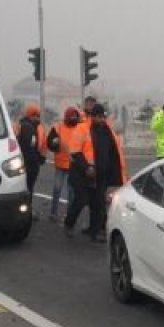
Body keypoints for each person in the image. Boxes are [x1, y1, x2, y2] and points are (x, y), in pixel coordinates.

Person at [64, 103, 126, 242]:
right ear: (92, 116)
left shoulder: (107, 131)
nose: (101, 119)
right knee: (80, 200)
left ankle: (95, 230)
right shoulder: (82, 128)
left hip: (100, 174)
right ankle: (69, 223)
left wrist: (113, 171)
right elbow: (75, 151)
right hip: (82, 173)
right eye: (98, 117)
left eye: (103, 117)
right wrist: (86, 168)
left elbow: (113, 152)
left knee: (97, 203)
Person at [45, 107, 81, 220]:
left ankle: (69, 216)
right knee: (57, 189)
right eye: (72, 116)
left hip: (73, 165)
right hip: (60, 164)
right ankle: (53, 213)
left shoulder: (80, 128)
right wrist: (54, 143)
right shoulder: (58, 127)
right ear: (66, 116)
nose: (73, 118)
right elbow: (49, 142)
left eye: (75, 116)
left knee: (71, 192)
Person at [15, 103, 47, 219]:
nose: (37, 118)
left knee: (25, 188)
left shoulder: (23, 125)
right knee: (28, 189)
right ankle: (26, 212)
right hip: (29, 164)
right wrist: (36, 160)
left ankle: (24, 210)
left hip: (23, 162)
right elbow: (30, 147)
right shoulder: (29, 128)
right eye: (35, 115)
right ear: (30, 115)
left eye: (38, 115)